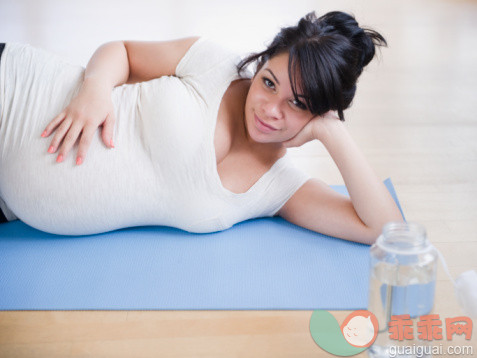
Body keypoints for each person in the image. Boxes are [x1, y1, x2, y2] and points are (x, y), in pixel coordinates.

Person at [0, 11, 403, 244]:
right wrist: (96, 89)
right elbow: (122, 51)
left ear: (320, 113)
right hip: (16, 91)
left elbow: (385, 231)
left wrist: (333, 133)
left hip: (10, 206)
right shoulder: (214, 62)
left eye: (297, 105)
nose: (269, 109)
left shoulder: (279, 188)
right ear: (261, 62)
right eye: (268, 82)